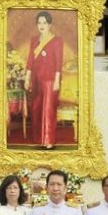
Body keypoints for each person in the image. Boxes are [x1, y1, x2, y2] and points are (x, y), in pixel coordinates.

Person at [23, 11, 64, 149]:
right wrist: (27, 78)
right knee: (37, 109)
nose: (41, 25)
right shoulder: (34, 40)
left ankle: (49, 141)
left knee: (48, 110)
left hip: (50, 80)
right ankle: (39, 140)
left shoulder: (56, 41)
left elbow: (58, 62)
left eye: (44, 23)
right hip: (36, 79)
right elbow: (30, 60)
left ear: (49, 25)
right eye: (39, 22)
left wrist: (57, 80)